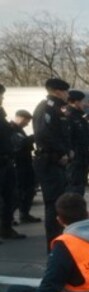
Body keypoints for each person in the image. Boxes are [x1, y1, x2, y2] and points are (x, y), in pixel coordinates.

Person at [33, 78, 72, 251]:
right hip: (49, 161)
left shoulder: (57, 109)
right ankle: (53, 246)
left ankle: (59, 242)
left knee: (59, 204)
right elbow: (44, 135)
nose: (67, 95)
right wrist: (62, 151)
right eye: (65, 92)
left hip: (57, 161)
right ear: (57, 91)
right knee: (53, 205)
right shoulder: (46, 109)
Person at [0, 82, 26, 241]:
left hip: (6, 160)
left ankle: (6, 228)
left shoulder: (1, 114)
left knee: (11, 196)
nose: (2, 98)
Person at [9, 109, 40, 224]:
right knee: (17, 192)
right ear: (20, 118)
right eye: (26, 121)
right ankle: (8, 217)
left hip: (26, 162)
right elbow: (20, 144)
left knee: (29, 189)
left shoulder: (19, 129)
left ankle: (24, 213)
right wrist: (34, 137)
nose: (26, 124)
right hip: (17, 164)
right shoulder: (11, 129)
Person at [64, 90, 89, 196]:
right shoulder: (69, 116)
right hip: (75, 159)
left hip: (82, 158)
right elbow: (68, 138)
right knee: (73, 188)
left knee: (79, 187)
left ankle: (77, 209)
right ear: (75, 102)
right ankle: (73, 211)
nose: (84, 104)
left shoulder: (80, 116)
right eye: (81, 101)